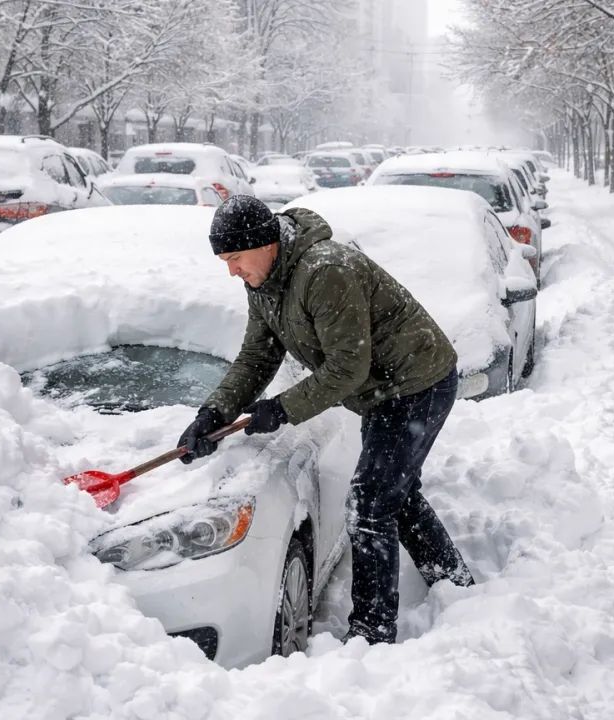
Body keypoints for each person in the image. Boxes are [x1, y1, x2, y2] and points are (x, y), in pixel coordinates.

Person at [176, 195, 475, 645]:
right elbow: (257, 356)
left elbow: (346, 368)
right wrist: (214, 411)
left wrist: (281, 409)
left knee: (371, 504)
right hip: (383, 391)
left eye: (235, 258)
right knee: (395, 492)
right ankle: (453, 582)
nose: (231, 271)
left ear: (265, 243)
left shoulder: (324, 270)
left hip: (417, 383)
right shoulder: (265, 283)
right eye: (225, 261)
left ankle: (372, 631)